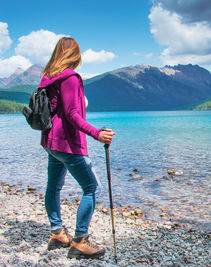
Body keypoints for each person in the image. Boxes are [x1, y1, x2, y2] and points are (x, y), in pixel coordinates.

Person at [39, 37, 115, 259]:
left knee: (53, 186)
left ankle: (57, 234)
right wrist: (97, 134)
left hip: (50, 142)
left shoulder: (47, 78)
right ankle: (80, 241)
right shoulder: (70, 78)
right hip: (66, 143)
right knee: (93, 187)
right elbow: (73, 115)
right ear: (75, 55)